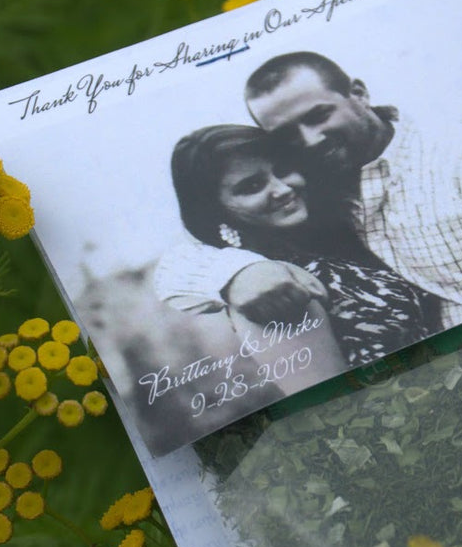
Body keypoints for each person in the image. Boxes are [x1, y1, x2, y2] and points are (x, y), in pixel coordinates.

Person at [153, 51, 462, 329]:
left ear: (358, 93)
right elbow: (179, 262)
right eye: (287, 135)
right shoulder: (320, 192)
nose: (310, 140)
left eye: (319, 114)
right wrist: (236, 274)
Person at [166, 124, 439, 367]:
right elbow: (326, 398)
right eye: (253, 186)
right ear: (216, 212)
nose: (283, 189)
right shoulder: (268, 289)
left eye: (282, 170)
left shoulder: (336, 234)